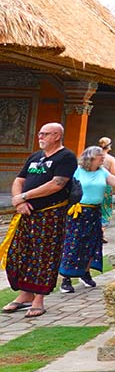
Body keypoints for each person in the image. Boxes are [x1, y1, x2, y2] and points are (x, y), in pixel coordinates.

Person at [1, 123, 77, 318]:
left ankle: (38, 299)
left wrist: (25, 197)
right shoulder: (35, 157)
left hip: (50, 214)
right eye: (39, 133)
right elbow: (19, 179)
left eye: (45, 134)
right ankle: (24, 294)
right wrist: (19, 201)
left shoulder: (65, 157)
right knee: (19, 253)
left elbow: (57, 184)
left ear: (57, 136)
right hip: (26, 214)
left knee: (43, 256)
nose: (40, 136)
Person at [59, 145, 115, 292]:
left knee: (92, 243)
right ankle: (66, 278)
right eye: (100, 155)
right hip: (79, 211)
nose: (103, 157)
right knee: (73, 243)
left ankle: (85, 272)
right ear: (91, 157)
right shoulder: (77, 171)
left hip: (95, 212)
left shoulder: (102, 171)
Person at [97, 137, 115, 241]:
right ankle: (102, 229)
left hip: (93, 186)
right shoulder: (110, 159)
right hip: (105, 187)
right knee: (105, 210)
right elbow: (113, 175)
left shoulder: (93, 156)